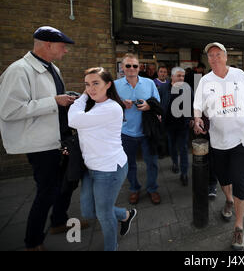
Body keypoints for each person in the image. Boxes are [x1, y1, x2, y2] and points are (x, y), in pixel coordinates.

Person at [0, 26, 84, 251]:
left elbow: (54, 101)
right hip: (41, 145)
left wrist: (68, 99)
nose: (65, 51)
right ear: (47, 45)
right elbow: (8, 111)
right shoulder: (19, 70)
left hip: (60, 140)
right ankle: (33, 241)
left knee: (68, 183)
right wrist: (54, 101)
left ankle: (58, 221)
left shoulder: (53, 68)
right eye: (62, 46)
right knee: (47, 191)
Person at [193, 42, 244, 251]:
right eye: (210, 55)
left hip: (241, 139)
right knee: (224, 177)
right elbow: (196, 107)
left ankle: (239, 227)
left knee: (240, 181)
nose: (214, 58)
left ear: (226, 56)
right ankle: (228, 199)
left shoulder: (240, 76)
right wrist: (197, 120)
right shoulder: (205, 81)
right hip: (218, 140)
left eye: (218, 54)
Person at [68, 67, 136, 251]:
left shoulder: (112, 108)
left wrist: (82, 97)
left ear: (108, 85)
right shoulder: (93, 105)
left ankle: (110, 247)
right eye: (87, 85)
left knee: (104, 214)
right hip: (90, 167)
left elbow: (73, 120)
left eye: (96, 83)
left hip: (109, 169)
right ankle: (125, 215)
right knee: (88, 211)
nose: (90, 89)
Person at [114, 54, 162, 205]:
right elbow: (108, 105)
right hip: (126, 132)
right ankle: (134, 188)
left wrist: (148, 106)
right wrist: (122, 104)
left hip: (147, 131)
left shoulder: (149, 83)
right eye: (128, 66)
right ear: (122, 67)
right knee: (129, 164)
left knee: (152, 162)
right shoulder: (115, 85)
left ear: (139, 67)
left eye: (135, 66)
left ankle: (152, 188)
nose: (131, 69)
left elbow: (158, 103)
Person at [159, 67, 192, 186]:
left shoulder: (187, 88)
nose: (181, 78)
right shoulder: (163, 88)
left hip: (183, 124)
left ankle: (184, 173)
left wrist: (192, 118)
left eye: (183, 76)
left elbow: (193, 104)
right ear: (172, 77)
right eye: (178, 76)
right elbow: (159, 103)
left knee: (183, 148)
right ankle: (174, 162)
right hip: (168, 124)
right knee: (172, 145)